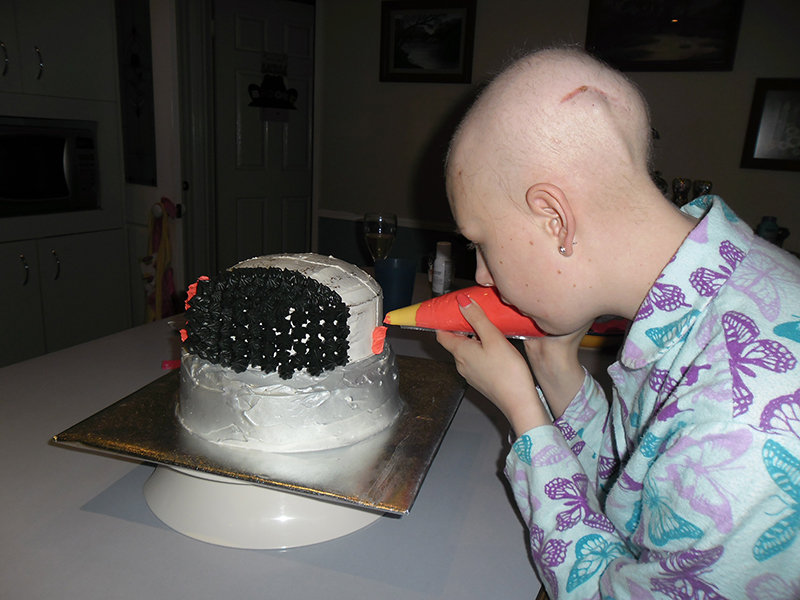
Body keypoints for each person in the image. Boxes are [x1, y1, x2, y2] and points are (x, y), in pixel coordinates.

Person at [437, 47, 800, 599]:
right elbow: (635, 492)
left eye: (480, 243)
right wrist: (551, 364)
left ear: (555, 218)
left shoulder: (741, 422)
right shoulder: (711, 290)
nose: (482, 275)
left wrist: (523, 413)